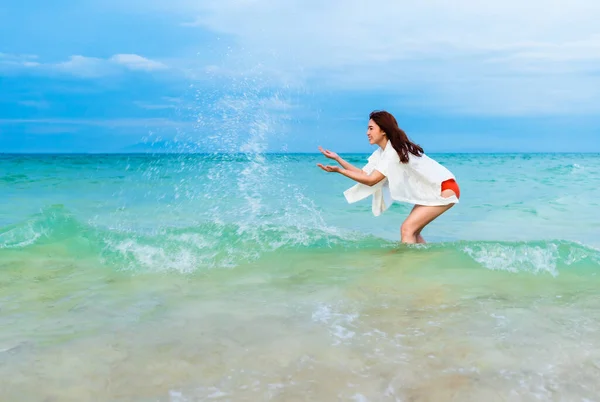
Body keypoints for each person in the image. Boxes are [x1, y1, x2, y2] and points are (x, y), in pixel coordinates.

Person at [317, 110, 460, 244]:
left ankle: (407, 264)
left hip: (444, 189)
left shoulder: (392, 152)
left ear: (383, 130)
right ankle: (422, 263)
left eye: (371, 128)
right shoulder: (383, 152)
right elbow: (364, 174)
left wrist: (340, 171)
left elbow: (371, 181)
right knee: (413, 232)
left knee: (407, 229)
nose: (367, 132)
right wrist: (338, 159)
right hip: (436, 189)